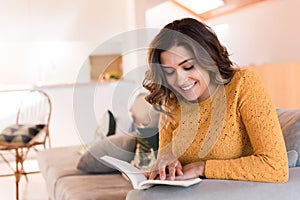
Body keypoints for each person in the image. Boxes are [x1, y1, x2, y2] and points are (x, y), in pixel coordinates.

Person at [142, 17, 288, 183]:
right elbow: (166, 162)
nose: (180, 80)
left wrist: (202, 167)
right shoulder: (172, 104)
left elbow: (275, 166)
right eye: (169, 72)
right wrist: (166, 164)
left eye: (188, 66)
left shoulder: (243, 84)